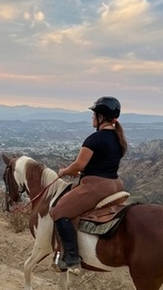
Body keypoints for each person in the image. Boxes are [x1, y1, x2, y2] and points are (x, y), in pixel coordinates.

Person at [51, 96, 128, 271]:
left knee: (59, 212)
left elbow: (78, 165)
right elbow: (101, 164)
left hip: (97, 186)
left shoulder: (95, 139)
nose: (92, 118)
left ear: (101, 117)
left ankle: (71, 257)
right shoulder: (118, 139)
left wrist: (63, 172)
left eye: (94, 114)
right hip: (115, 183)